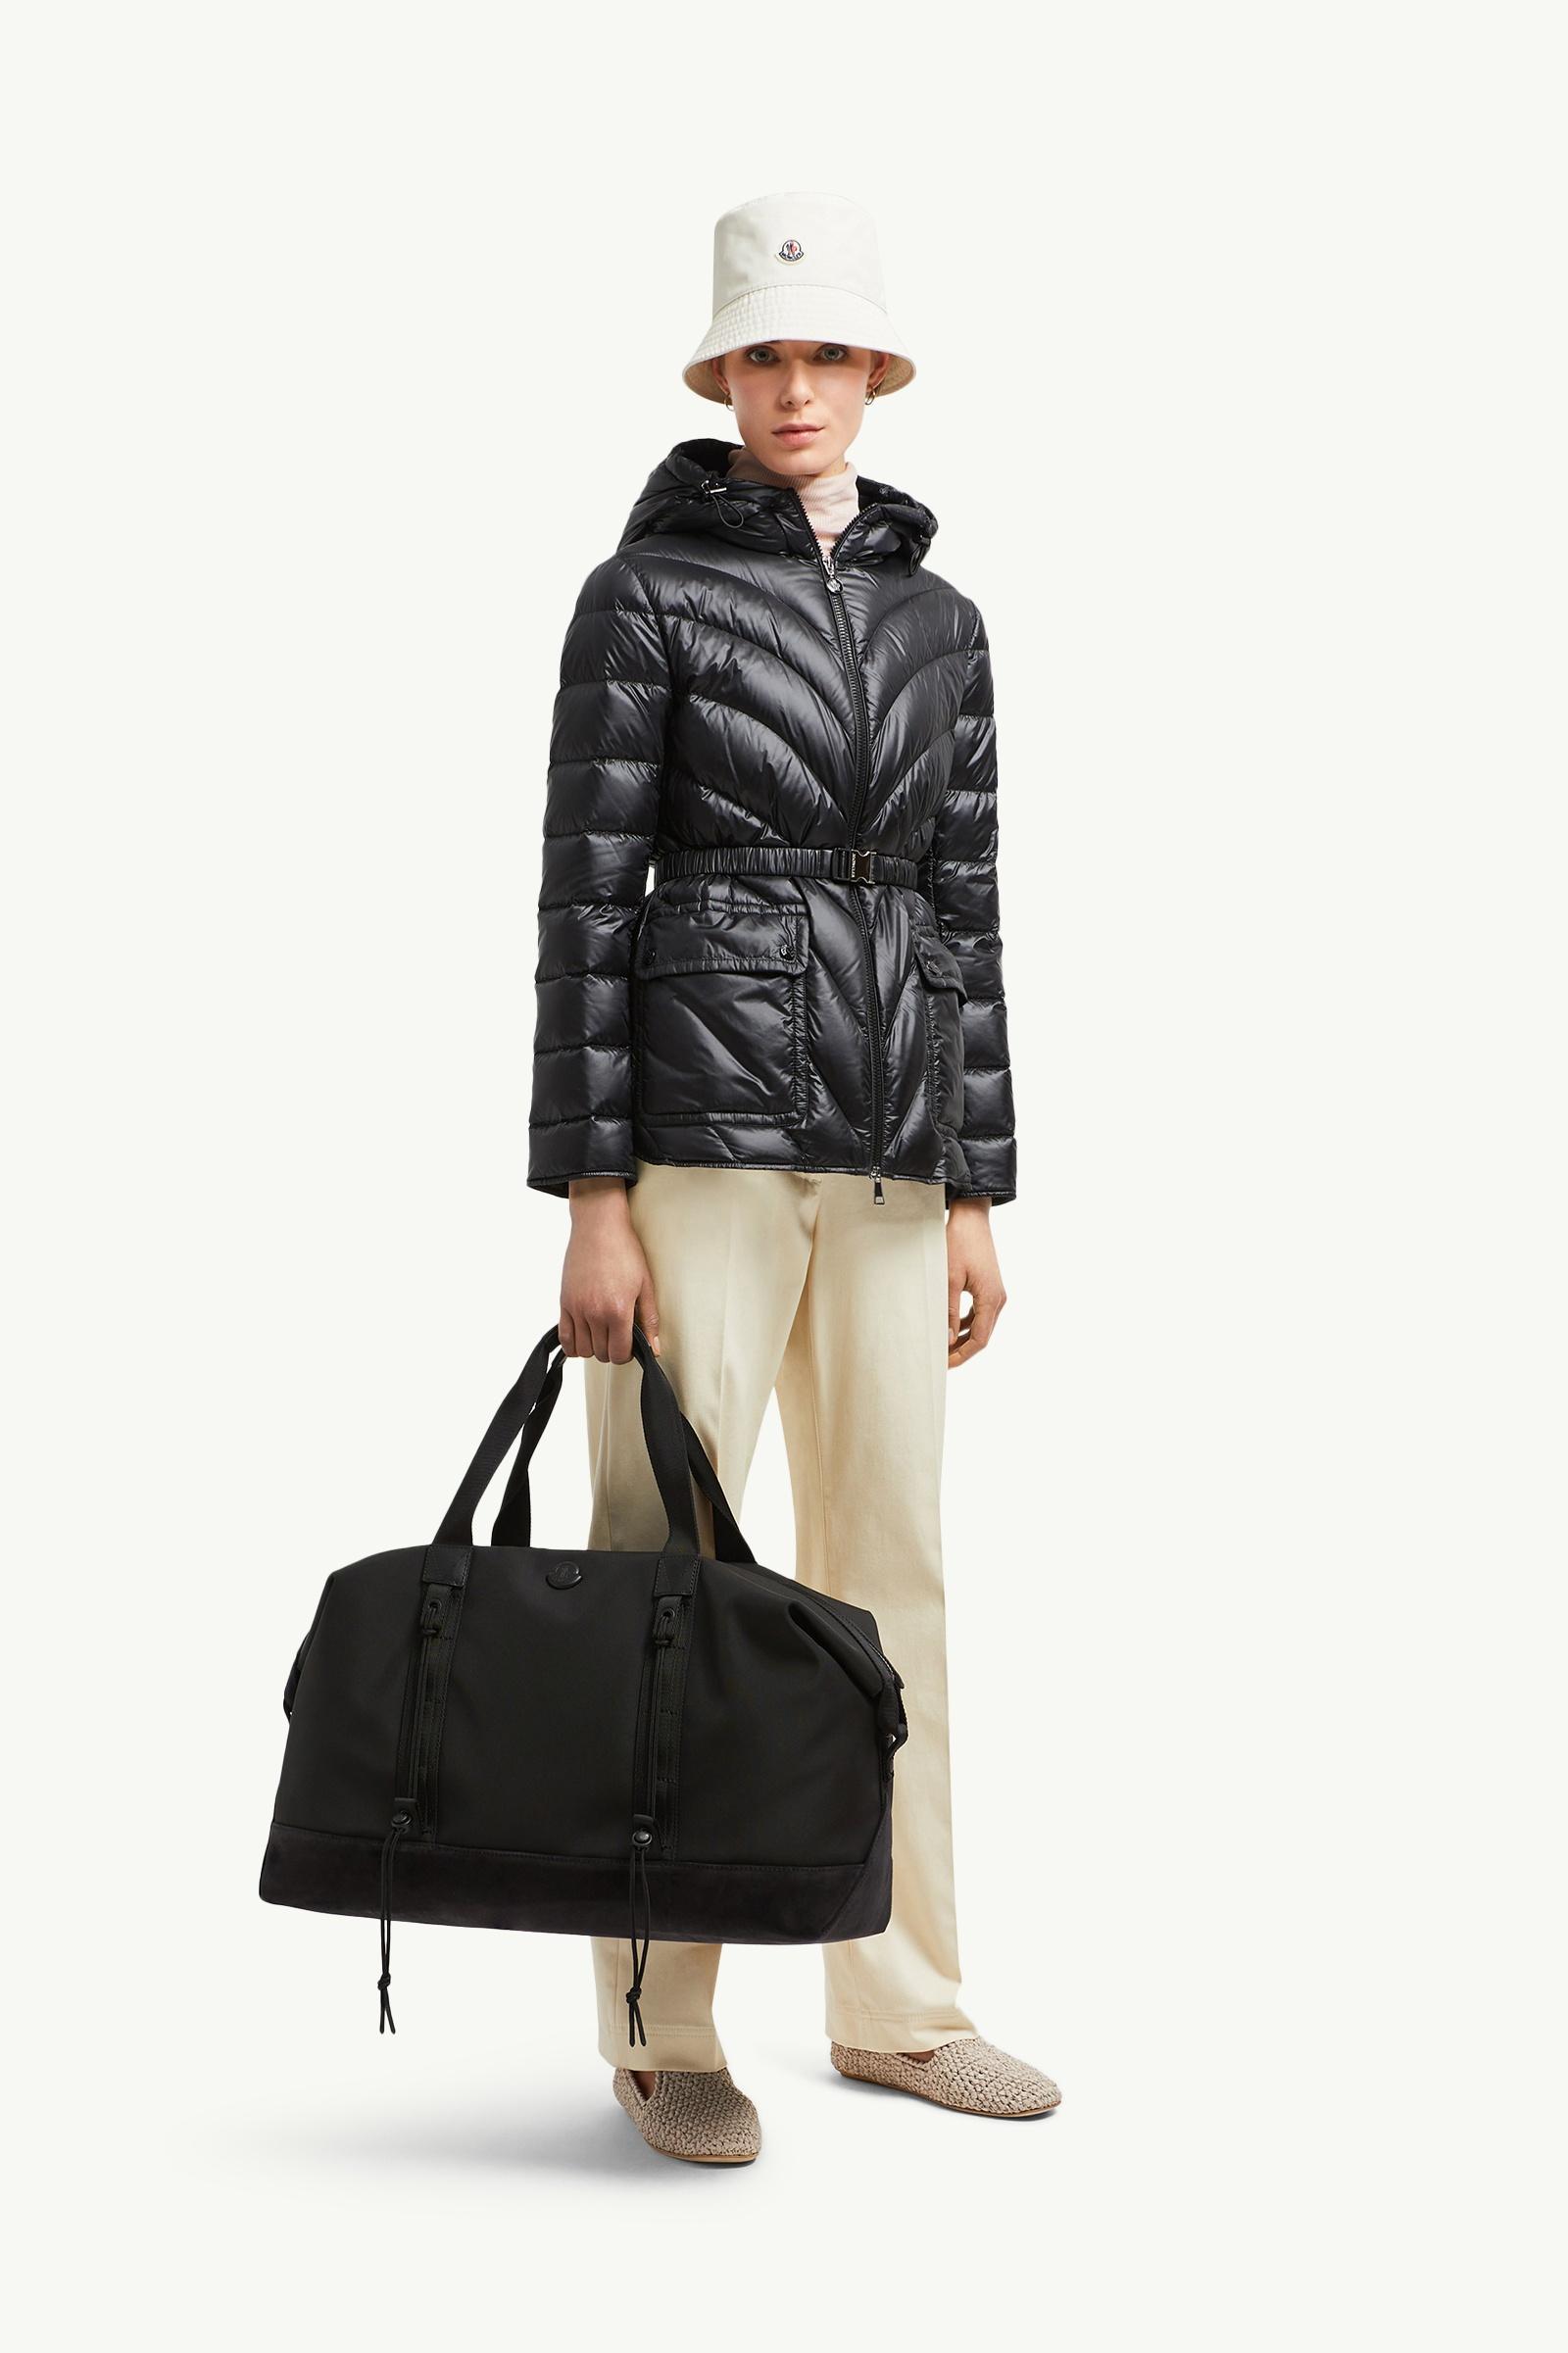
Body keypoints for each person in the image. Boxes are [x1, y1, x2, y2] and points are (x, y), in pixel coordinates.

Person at [527, 189, 1059, 2164]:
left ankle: (902, 2005)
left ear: (876, 372)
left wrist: (976, 1185)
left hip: (894, 1147)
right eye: (763, 353)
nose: (796, 386)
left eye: (827, 351)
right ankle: (659, 2020)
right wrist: (591, 1197)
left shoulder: (942, 623)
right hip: (698, 1144)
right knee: (662, 1569)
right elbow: (586, 903)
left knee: (889, 1567)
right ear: (723, 375)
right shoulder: (642, 595)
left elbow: (965, 909)